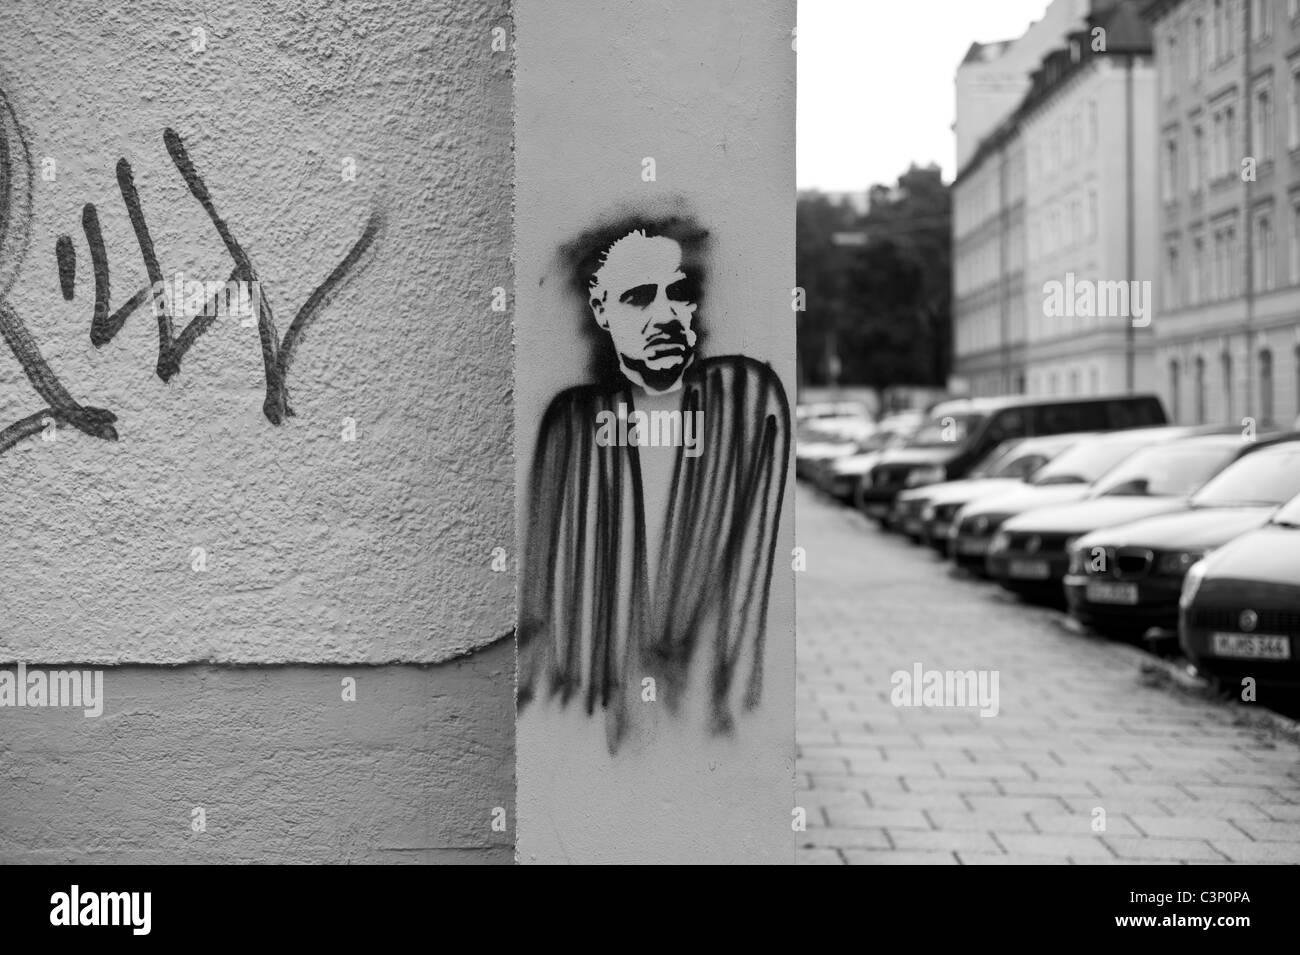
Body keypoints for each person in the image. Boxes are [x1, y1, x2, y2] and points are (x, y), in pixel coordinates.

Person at [518, 214, 791, 753]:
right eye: (640, 297)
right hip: (590, 716)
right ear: (601, 311)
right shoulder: (570, 424)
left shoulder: (746, 403)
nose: (666, 314)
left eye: (680, 294)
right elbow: (547, 602)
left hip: (701, 725)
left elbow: (746, 590)